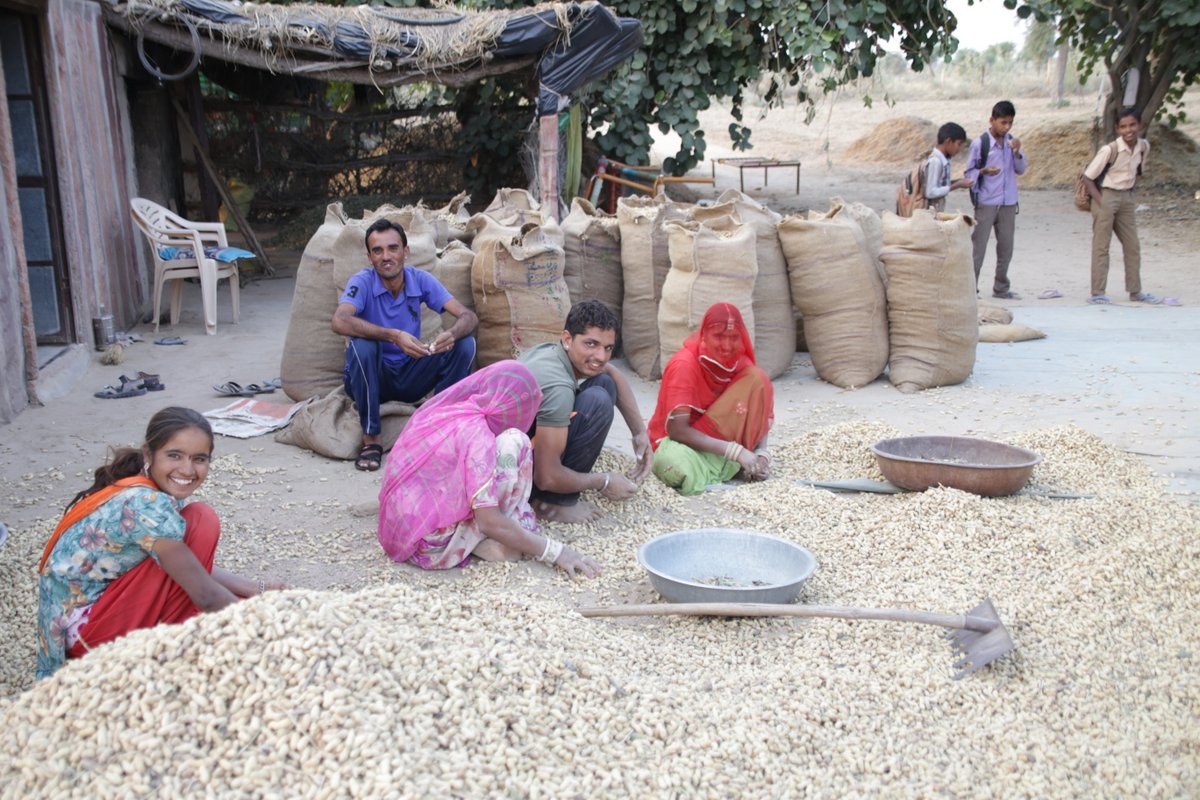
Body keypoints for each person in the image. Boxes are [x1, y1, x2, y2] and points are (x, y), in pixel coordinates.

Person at [36, 407, 285, 680]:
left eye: (199, 459)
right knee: (201, 521)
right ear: (148, 454)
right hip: (89, 637)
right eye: (174, 455)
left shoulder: (143, 489)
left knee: (225, 598)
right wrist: (268, 632)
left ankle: (187, 626)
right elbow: (205, 593)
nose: (187, 469)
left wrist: (255, 589)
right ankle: (157, 647)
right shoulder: (147, 504)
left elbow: (184, 565)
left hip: (79, 624)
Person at [377, 361, 601, 578]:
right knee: (515, 441)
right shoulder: (478, 438)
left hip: (402, 526)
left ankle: (484, 538)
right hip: (430, 546)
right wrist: (556, 552)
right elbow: (488, 520)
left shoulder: (448, 412)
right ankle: (482, 541)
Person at [332, 219, 478, 472]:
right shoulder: (362, 281)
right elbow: (340, 320)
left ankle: (437, 425)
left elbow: (469, 317)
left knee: (466, 344)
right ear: (369, 257)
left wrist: (452, 333)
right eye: (377, 251)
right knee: (363, 346)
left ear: (405, 252)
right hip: (370, 379)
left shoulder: (419, 279)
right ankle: (371, 440)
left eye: (393, 248)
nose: (386, 256)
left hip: (409, 375)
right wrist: (393, 335)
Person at [518, 300, 653, 523]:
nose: (601, 356)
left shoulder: (552, 351)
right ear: (568, 339)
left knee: (604, 381)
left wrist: (640, 432)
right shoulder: (558, 387)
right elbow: (546, 476)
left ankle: (560, 486)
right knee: (597, 400)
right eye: (591, 344)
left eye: (608, 348)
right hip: (506, 475)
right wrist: (604, 480)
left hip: (520, 443)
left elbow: (610, 371)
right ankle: (548, 503)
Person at [648, 303, 774, 495]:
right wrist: (737, 453)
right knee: (673, 466)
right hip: (682, 443)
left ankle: (724, 467)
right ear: (704, 335)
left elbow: (758, 408)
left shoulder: (739, 363)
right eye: (718, 336)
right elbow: (677, 431)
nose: (726, 345)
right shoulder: (685, 365)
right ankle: (726, 467)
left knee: (759, 379)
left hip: (722, 445)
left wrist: (761, 455)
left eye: (734, 338)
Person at [1081, 108, 1158, 305]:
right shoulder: (1110, 150)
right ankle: (1097, 293)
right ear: (1117, 129)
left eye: (1132, 125)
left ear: (1140, 125)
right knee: (1101, 246)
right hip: (1106, 196)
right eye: (1123, 126)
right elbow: (1088, 178)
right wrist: (1101, 202)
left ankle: (1135, 291)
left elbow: (1137, 172)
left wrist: (1131, 195)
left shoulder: (1143, 147)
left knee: (1132, 246)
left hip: (1126, 198)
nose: (1128, 130)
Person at [964, 100, 1028, 300]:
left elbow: (1021, 169)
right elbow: (968, 172)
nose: (1006, 127)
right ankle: (970, 289)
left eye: (1010, 123)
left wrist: (1017, 152)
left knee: (1006, 247)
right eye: (1003, 122)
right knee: (978, 247)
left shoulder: (1011, 143)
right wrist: (983, 171)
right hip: (986, 202)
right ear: (992, 120)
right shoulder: (980, 144)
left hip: (1008, 203)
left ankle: (1001, 288)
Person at [923, 123, 975, 213]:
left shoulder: (944, 160)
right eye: (959, 144)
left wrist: (959, 181)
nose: (959, 149)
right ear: (949, 141)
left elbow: (940, 184)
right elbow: (930, 192)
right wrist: (957, 185)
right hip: (927, 213)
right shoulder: (936, 161)